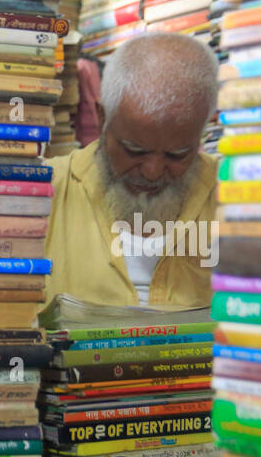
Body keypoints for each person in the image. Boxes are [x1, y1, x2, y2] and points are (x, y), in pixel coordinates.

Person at [43, 33, 219, 308]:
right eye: (134, 151)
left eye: (178, 155)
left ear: (202, 133)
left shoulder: (237, 200)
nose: (152, 172)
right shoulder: (41, 194)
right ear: (102, 118)